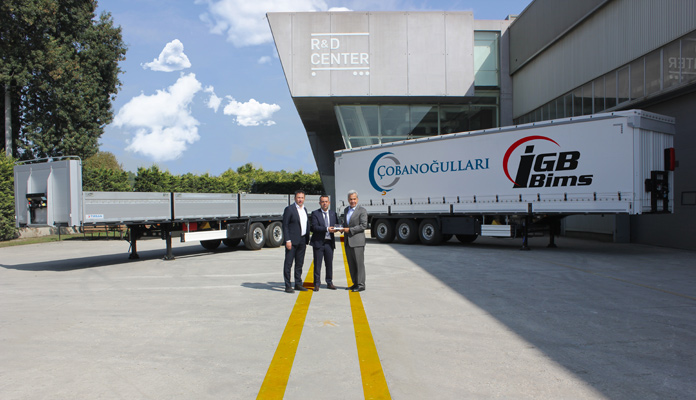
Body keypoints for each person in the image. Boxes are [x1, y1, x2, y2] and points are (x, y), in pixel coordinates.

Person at [282, 190, 310, 293]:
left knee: (299, 263)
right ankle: (288, 285)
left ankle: (298, 283)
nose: (300, 200)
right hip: (292, 241)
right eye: (298, 197)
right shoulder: (289, 209)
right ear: (295, 198)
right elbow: (285, 226)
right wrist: (287, 240)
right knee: (288, 263)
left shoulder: (304, 209)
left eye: (302, 198)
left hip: (302, 240)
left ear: (304, 199)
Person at [340, 190, 368, 292]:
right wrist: (340, 228)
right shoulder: (346, 210)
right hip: (348, 241)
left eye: (354, 199)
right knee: (351, 264)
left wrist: (349, 230)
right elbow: (346, 224)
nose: (353, 201)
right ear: (348, 200)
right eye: (351, 199)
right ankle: (355, 283)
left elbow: (363, 225)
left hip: (357, 242)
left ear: (357, 199)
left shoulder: (362, 210)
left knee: (359, 264)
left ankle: (361, 285)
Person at [309, 195, 338, 291]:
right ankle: (317, 283)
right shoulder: (315, 213)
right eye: (322, 202)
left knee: (329, 264)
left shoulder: (333, 214)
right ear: (319, 203)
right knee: (317, 264)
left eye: (326, 201)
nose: (324, 203)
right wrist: (327, 229)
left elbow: (337, 225)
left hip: (329, 243)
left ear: (329, 203)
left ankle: (329, 282)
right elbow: (314, 227)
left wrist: (339, 229)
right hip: (318, 243)